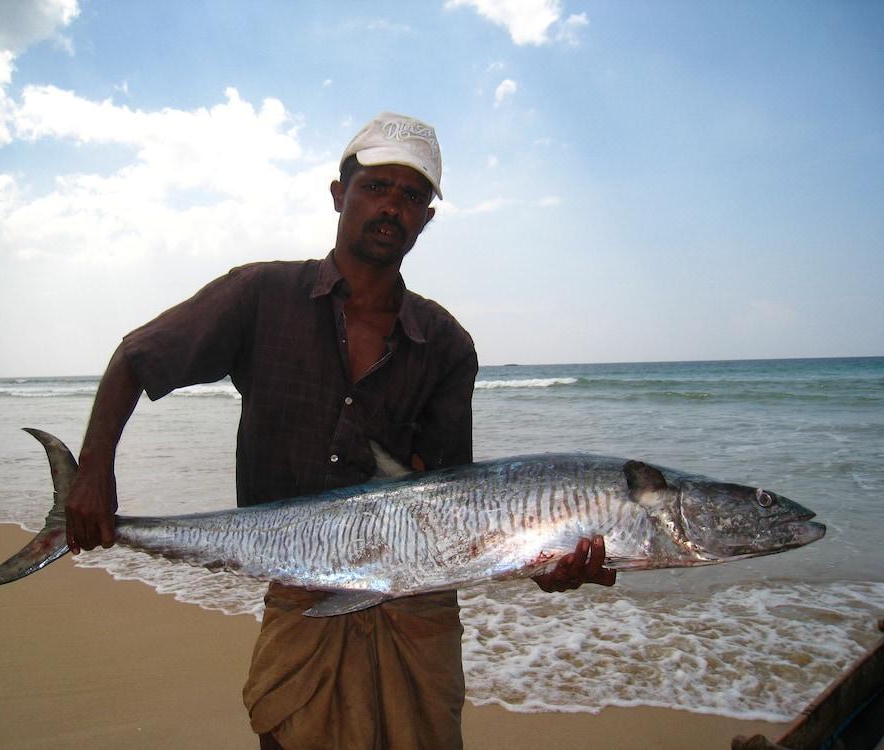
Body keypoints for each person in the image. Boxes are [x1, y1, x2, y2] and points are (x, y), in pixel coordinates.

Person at [64, 112, 616, 749]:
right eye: (376, 187)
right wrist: (92, 470)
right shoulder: (261, 296)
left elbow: (446, 499)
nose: (392, 207)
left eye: (412, 197)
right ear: (339, 195)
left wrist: (536, 559)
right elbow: (138, 357)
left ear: (427, 219)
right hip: (300, 596)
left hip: (417, 612)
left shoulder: (446, 343)